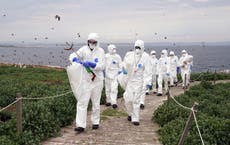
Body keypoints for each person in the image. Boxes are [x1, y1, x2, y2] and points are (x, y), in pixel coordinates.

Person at [68, 33, 105, 133]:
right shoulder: (83, 49)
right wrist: (75, 59)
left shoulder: (101, 51)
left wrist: (93, 65)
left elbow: (102, 66)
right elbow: (72, 55)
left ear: (97, 42)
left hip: (97, 81)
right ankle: (80, 125)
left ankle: (95, 122)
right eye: (90, 41)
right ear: (87, 41)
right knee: (82, 102)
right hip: (86, 81)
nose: (92, 43)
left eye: (94, 42)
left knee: (96, 103)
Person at [123, 40, 151, 125]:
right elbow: (124, 64)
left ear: (142, 48)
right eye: (136, 47)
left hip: (139, 81)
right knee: (128, 99)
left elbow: (148, 70)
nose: (137, 49)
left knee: (136, 100)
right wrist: (124, 70)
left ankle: (135, 118)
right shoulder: (130, 55)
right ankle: (130, 113)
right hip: (130, 80)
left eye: (139, 48)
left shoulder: (146, 57)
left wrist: (148, 82)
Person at [105, 44, 122, 109]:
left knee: (114, 89)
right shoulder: (106, 56)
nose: (114, 50)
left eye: (115, 48)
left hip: (115, 75)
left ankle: (114, 102)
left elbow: (120, 64)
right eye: (112, 49)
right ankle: (108, 101)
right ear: (109, 49)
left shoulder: (117, 56)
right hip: (107, 75)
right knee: (108, 89)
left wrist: (120, 71)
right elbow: (103, 64)